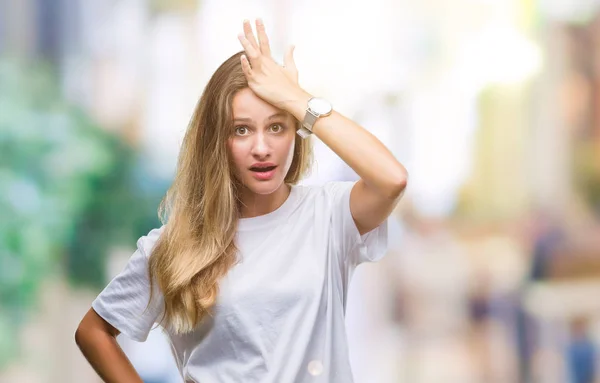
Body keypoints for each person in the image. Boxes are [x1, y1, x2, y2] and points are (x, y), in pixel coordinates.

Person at [74, 19, 408, 383]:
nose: (262, 148)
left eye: (277, 126)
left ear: (297, 131)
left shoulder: (328, 215)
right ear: (218, 140)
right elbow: (94, 332)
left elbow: (392, 179)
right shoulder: (178, 244)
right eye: (242, 129)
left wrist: (297, 99)